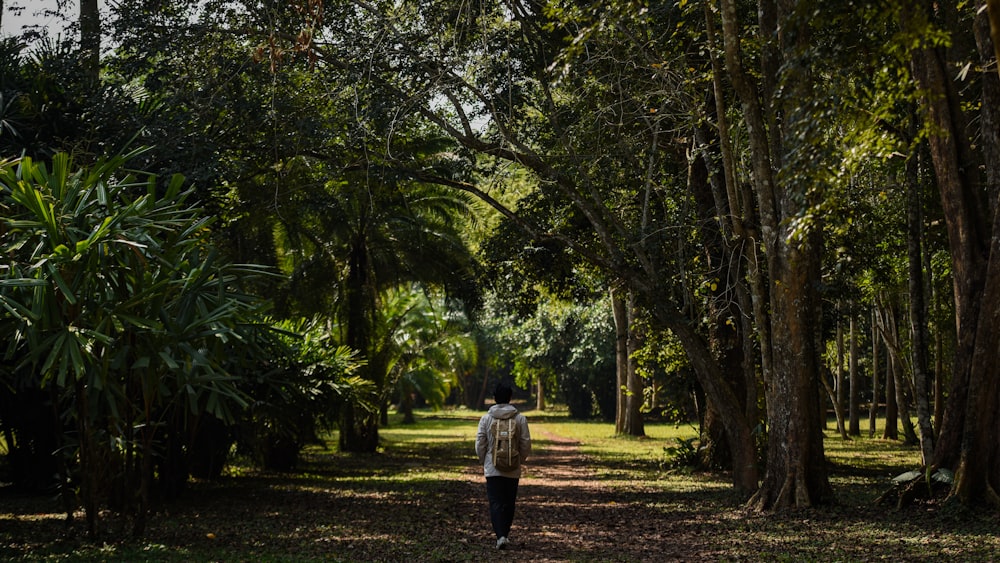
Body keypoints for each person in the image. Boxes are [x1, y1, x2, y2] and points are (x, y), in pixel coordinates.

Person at [476, 381, 532, 550]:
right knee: (509, 502)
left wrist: (483, 460)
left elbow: (480, 443)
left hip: (492, 468)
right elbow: (525, 443)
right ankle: (505, 534)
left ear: (494, 398)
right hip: (512, 468)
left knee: (495, 502)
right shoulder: (520, 418)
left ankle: (500, 536)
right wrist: (519, 460)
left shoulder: (486, 418)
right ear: (510, 398)